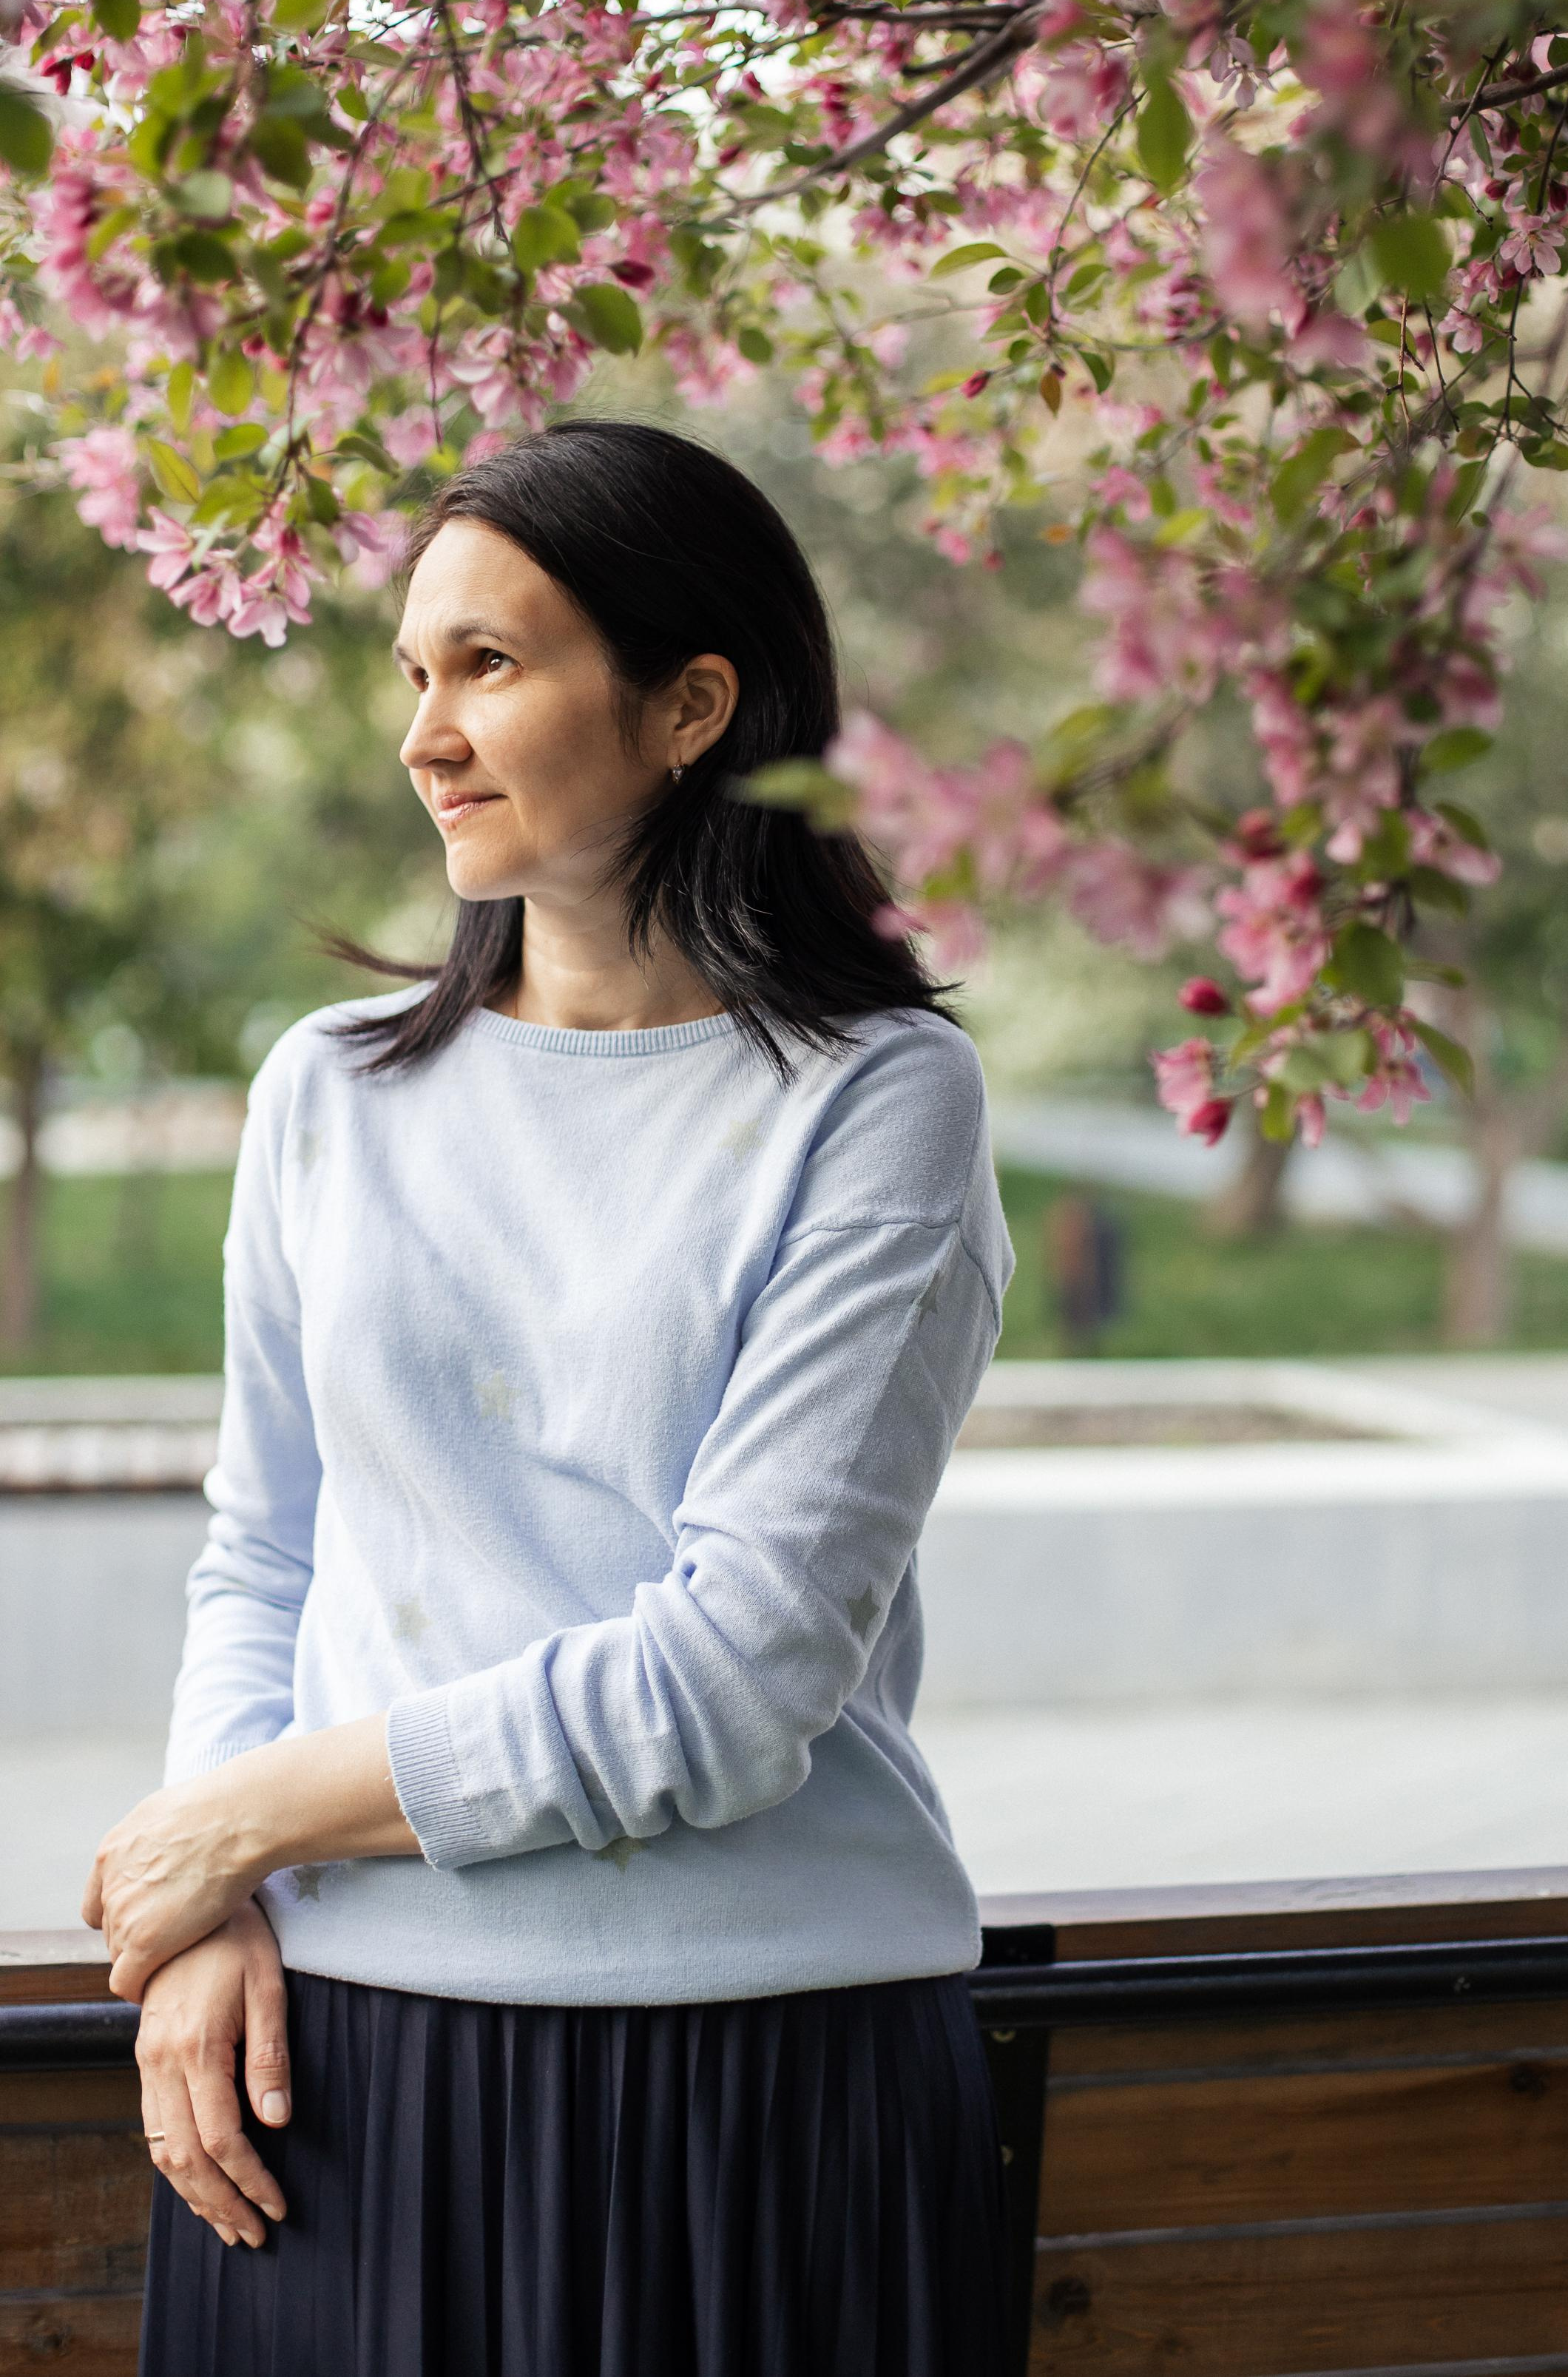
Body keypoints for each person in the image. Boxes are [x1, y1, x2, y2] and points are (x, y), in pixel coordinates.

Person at [81, 419, 1018, 2377]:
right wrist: (201, 1917)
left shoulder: (872, 1101)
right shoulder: (328, 1090)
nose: (425, 731)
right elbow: (263, 1547)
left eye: (488, 665)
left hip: (754, 2079)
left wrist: (231, 1820)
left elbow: (740, 1674)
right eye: (412, 670)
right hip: (317, 2080)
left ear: (692, 703)